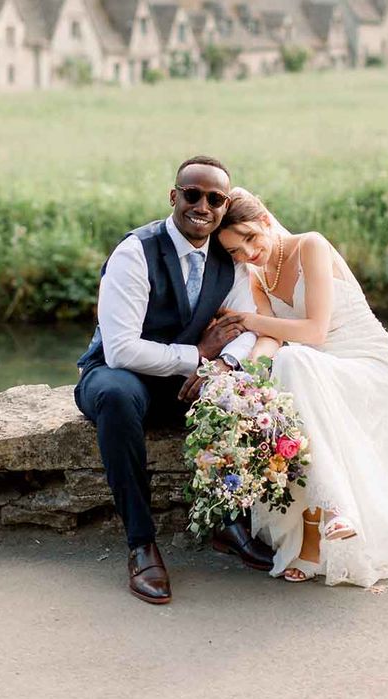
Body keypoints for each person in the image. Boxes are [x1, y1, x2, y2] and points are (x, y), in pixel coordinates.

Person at [216, 188, 388, 586]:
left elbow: (314, 331)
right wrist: (237, 375)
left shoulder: (311, 246)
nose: (247, 254)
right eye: (236, 251)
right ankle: (334, 516)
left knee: (294, 362)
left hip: (365, 367)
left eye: (250, 239)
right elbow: (272, 343)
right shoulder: (257, 279)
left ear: (266, 221)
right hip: (314, 372)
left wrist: (249, 322)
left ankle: (324, 525)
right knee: (283, 371)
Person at [75, 158, 274, 605]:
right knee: (115, 395)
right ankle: (141, 546)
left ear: (224, 207)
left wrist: (219, 367)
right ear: (174, 196)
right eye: (192, 194)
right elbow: (122, 348)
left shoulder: (230, 260)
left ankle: (228, 521)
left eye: (215, 198)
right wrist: (197, 357)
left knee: (236, 390)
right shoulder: (135, 252)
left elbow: (245, 330)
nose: (202, 205)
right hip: (121, 376)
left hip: (188, 380)